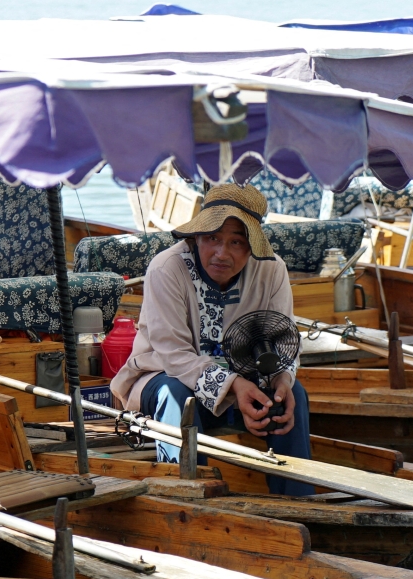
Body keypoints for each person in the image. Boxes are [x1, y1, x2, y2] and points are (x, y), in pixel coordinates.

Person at [110, 183, 314, 496]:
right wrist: (234, 385)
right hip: (160, 376)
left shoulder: (272, 270)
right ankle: (188, 497)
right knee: (176, 395)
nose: (221, 253)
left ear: (251, 248)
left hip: (245, 382)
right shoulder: (166, 268)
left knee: (291, 394)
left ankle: (299, 502)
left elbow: (281, 339)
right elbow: (174, 355)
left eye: (236, 242)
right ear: (196, 238)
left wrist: (283, 379)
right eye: (212, 238)